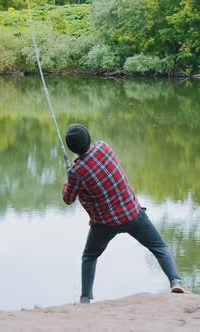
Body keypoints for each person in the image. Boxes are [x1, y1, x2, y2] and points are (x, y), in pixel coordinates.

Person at [62, 124, 187, 304]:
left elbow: (68, 198)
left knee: (89, 256)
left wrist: (68, 180)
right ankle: (175, 281)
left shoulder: (75, 171)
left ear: (71, 148)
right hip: (132, 214)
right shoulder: (104, 147)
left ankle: (85, 299)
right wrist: (73, 172)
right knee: (159, 247)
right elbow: (93, 165)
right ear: (89, 138)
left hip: (104, 223)